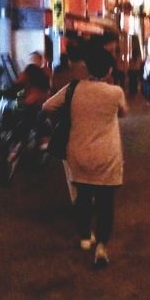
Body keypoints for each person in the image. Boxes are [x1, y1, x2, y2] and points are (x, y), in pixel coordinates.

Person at [43, 46, 127, 268]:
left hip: (78, 152)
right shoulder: (115, 92)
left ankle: (84, 237)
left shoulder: (73, 88)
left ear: (88, 67)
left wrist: (71, 114)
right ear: (109, 70)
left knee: (83, 195)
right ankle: (101, 246)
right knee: (105, 201)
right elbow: (123, 112)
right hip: (107, 155)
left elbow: (47, 106)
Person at [50, 40, 89, 204]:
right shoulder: (90, 74)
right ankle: (89, 197)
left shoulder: (60, 75)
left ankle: (76, 200)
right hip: (88, 125)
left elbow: (51, 104)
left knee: (70, 167)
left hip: (66, 125)